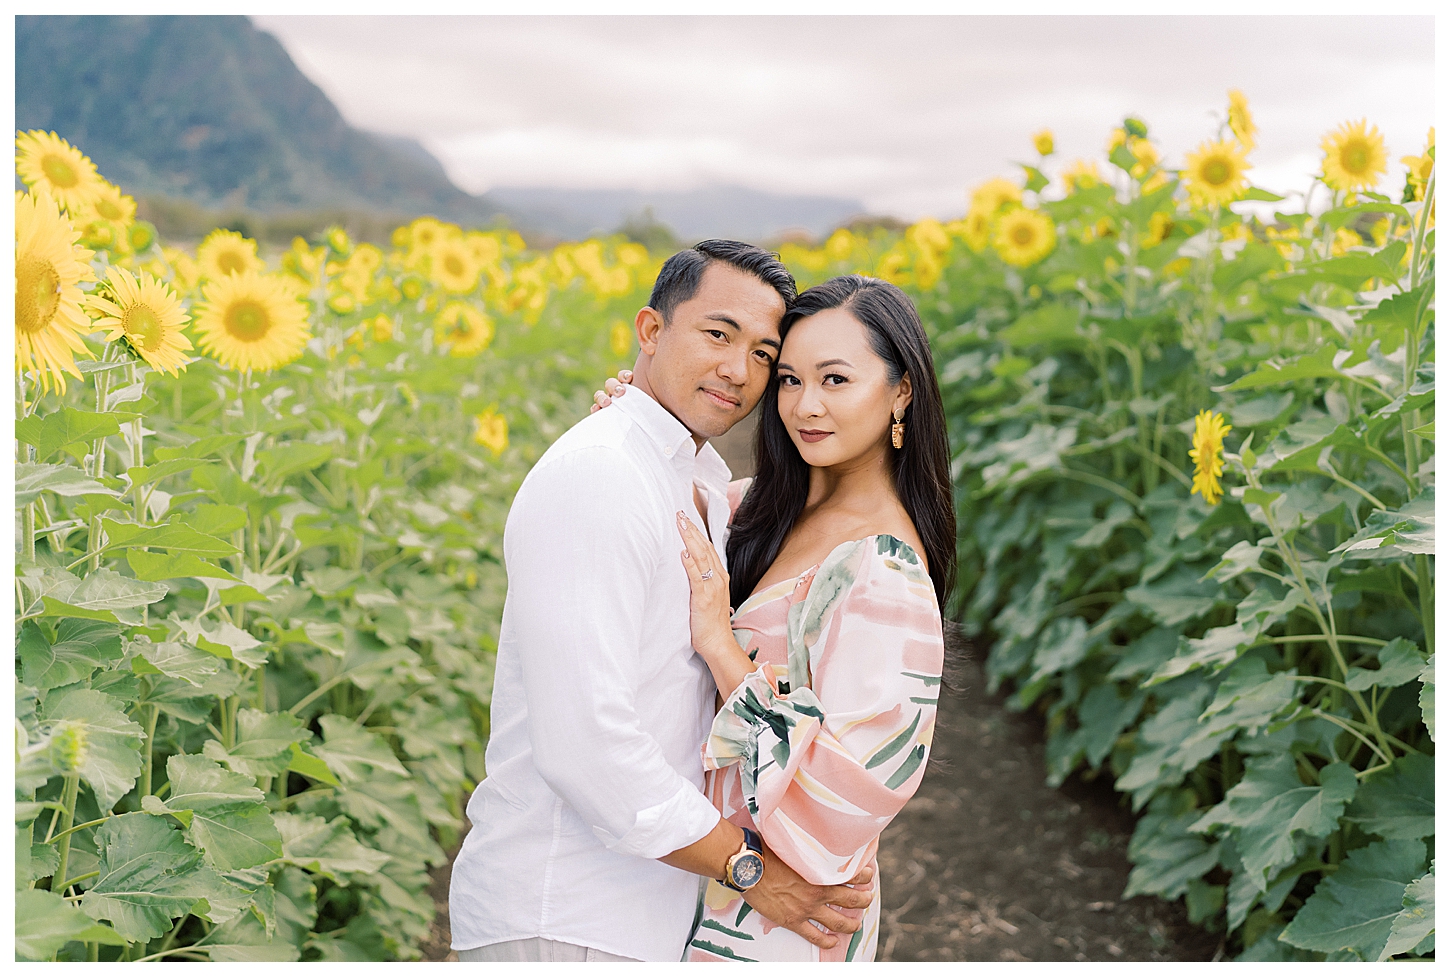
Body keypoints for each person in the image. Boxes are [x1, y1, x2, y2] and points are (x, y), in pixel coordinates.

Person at [448, 241, 875, 963]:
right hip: (566, 914)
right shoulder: (601, 475)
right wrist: (750, 868)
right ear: (651, 331)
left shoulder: (691, 480)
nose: (738, 370)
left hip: (635, 910)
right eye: (717, 334)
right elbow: (588, 743)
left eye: (764, 353)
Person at [599, 275, 956, 961]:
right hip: (706, 885)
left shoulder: (884, 568)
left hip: (783, 922)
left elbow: (852, 794)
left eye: (836, 379)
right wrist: (635, 426)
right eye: (789, 379)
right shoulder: (758, 506)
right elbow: (662, 518)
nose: (806, 406)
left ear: (901, 390)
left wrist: (723, 650)